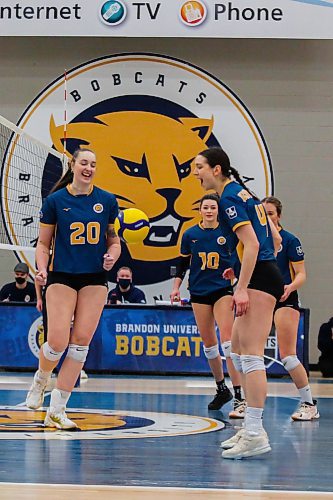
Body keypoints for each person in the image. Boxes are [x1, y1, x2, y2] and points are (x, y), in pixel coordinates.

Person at [194, 147, 284, 460]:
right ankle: (250, 427)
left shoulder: (230, 198)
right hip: (260, 272)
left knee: (252, 355)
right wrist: (238, 265)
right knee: (240, 352)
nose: (196, 172)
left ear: (216, 169)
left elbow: (255, 244)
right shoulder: (245, 193)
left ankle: (256, 432)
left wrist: (242, 286)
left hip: (259, 279)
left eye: (199, 167)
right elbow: (275, 240)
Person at [25, 148, 121, 429]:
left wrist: (112, 255)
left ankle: (57, 409)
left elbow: (114, 240)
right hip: (62, 275)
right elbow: (43, 244)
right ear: (73, 165)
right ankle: (41, 379)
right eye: (84, 163)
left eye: (93, 164)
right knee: (57, 342)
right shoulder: (55, 201)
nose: (89, 168)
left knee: (80, 345)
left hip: (94, 278)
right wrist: (41, 268)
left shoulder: (107, 200)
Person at [170, 193, 245, 417]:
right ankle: (221, 388)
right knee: (209, 346)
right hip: (199, 292)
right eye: (206, 207)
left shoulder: (228, 233)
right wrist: (176, 287)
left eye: (213, 207)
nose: (210, 211)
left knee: (228, 342)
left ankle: (240, 395)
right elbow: (182, 263)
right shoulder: (191, 234)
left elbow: (241, 261)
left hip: (222, 290)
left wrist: (240, 285)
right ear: (200, 210)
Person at [262, 196, 319, 421]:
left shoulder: (290, 240)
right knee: (246, 354)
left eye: (271, 214)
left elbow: (302, 274)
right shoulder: (256, 241)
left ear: (279, 216)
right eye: (263, 214)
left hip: (285, 299)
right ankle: (247, 402)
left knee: (287, 356)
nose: (267, 218)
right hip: (262, 299)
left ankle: (308, 403)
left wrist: (290, 286)